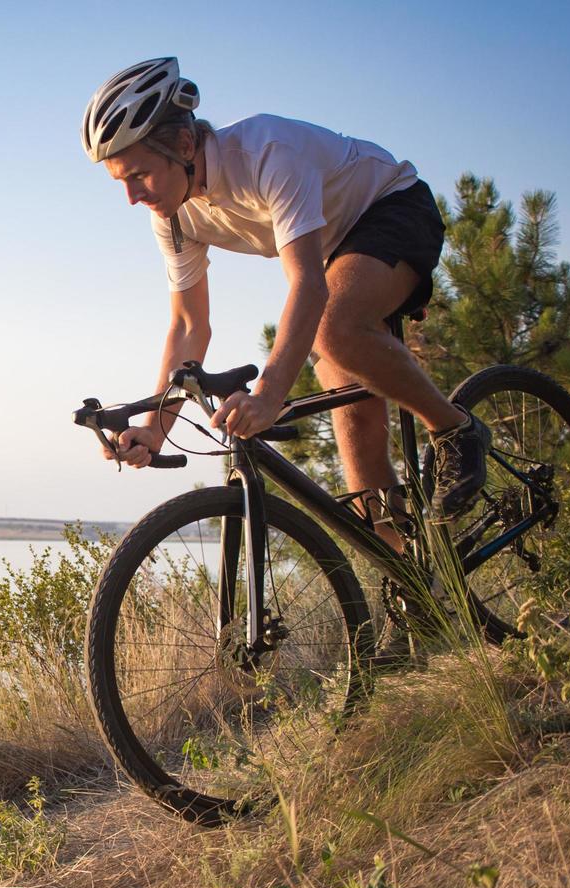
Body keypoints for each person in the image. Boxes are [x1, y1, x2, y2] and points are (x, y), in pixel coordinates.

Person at [81, 57, 490, 534]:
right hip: (335, 248)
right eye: (120, 182)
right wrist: (155, 428)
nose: (131, 196)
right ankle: (414, 583)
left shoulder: (266, 153)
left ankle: (456, 429)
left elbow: (309, 285)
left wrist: (270, 393)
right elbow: (189, 325)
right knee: (352, 419)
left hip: (390, 206)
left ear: (186, 144)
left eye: (139, 175)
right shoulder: (173, 216)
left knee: (334, 328)